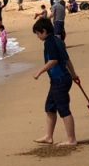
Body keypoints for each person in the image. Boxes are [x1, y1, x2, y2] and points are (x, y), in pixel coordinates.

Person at [32, 17, 79, 146]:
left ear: (44, 31)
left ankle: (71, 139)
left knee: (63, 109)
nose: (37, 36)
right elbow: (67, 59)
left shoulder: (50, 42)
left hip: (60, 80)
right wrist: (74, 75)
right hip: (61, 79)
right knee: (50, 107)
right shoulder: (58, 40)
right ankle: (48, 136)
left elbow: (53, 61)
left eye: (37, 33)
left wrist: (39, 72)